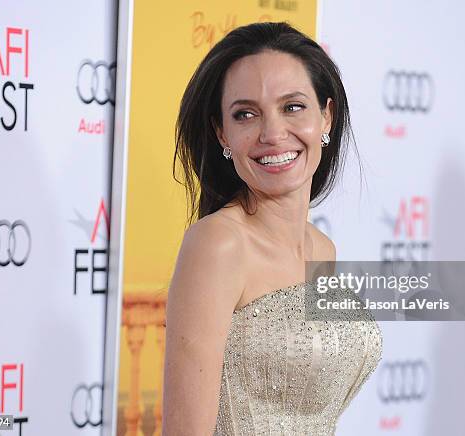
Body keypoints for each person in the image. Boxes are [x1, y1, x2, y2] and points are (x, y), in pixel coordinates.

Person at [162, 22, 382, 435]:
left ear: (326, 117)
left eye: (293, 107)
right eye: (246, 114)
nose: (273, 134)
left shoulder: (323, 250)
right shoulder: (218, 244)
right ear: (221, 132)